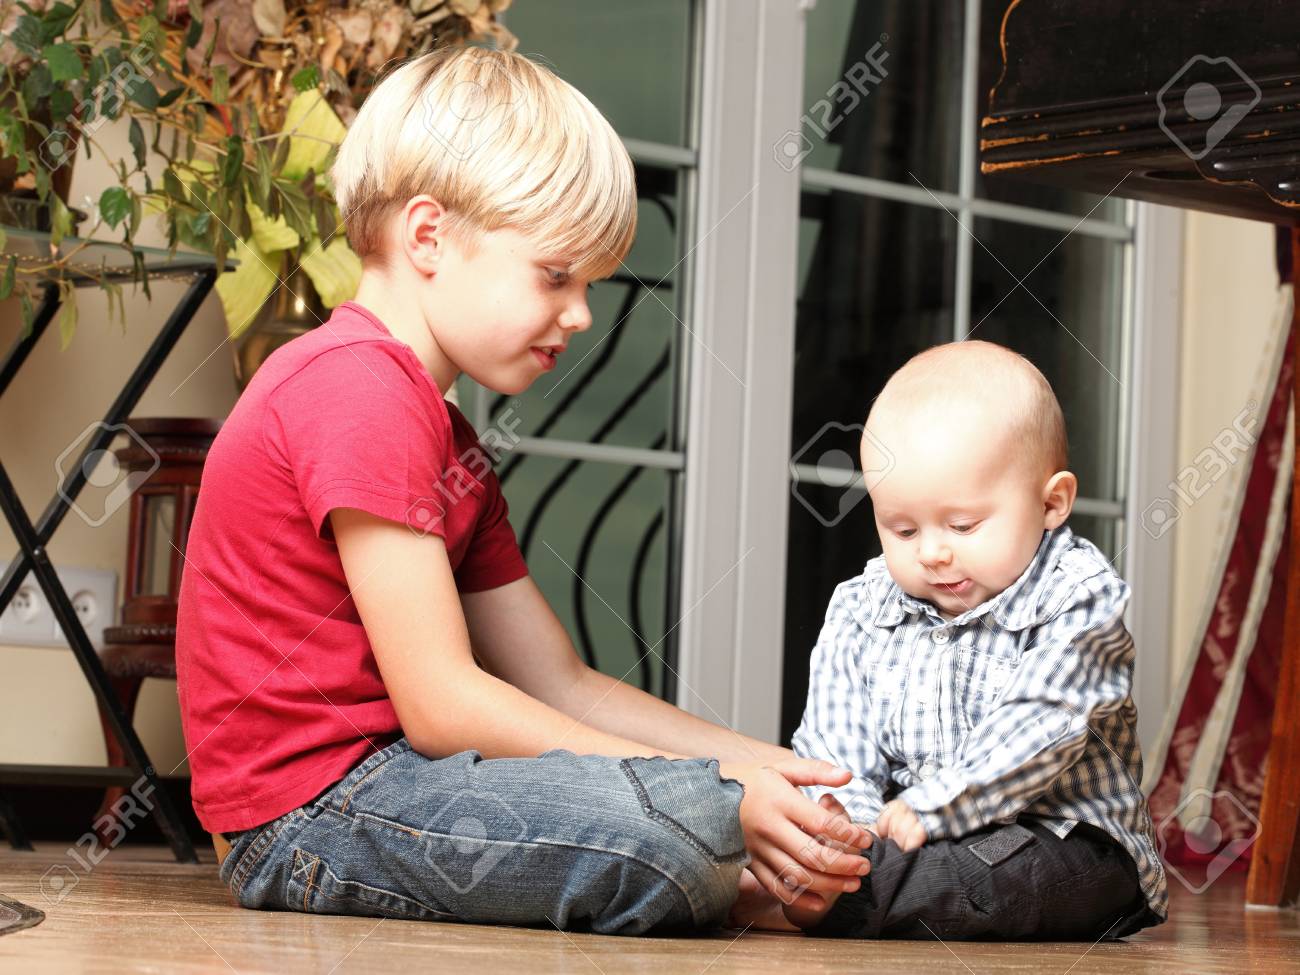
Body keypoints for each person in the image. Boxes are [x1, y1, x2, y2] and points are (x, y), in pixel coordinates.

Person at [174, 45, 872, 936]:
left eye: (590, 285)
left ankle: (768, 874)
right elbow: (441, 704)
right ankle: (764, 884)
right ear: (428, 236)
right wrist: (723, 795)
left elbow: (562, 684)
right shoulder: (358, 389)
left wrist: (777, 766)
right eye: (555, 276)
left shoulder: (444, 433)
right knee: (679, 825)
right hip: (312, 820)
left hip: (395, 787)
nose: (581, 314)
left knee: (698, 811)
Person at [784, 340, 1169, 939]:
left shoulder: (1079, 595)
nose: (933, 552)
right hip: (916, 835)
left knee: (980, 883)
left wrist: (932, 807)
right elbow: (836, 743)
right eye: (902, 528)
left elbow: (1041, 727)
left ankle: (823, 895)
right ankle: (835, 882)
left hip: (1064, 837)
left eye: (963, 525)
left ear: (1051, 503)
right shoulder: (862, 605)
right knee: (855, 858)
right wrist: (847, 831)